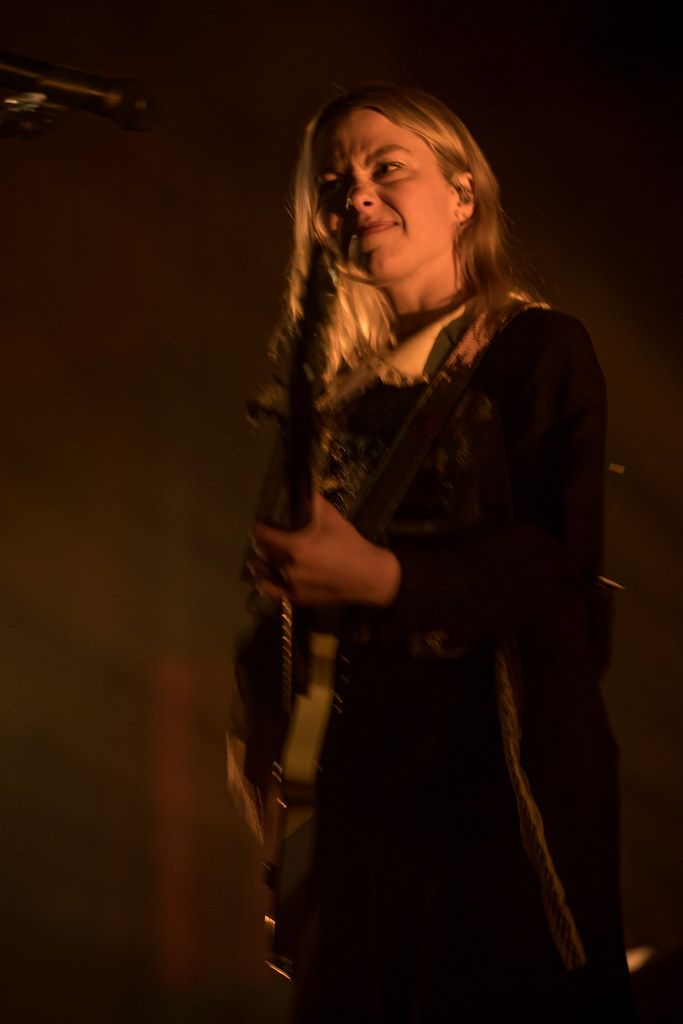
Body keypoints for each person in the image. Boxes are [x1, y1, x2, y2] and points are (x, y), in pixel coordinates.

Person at [236, 82, 634, 1022]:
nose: (356, 194)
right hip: (364, 793)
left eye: (386, 168)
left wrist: (384, 577)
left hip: (498, 791)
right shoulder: (329, 394)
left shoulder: (536, 350)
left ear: (464, 194)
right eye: (334, 181)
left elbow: (558, 560)